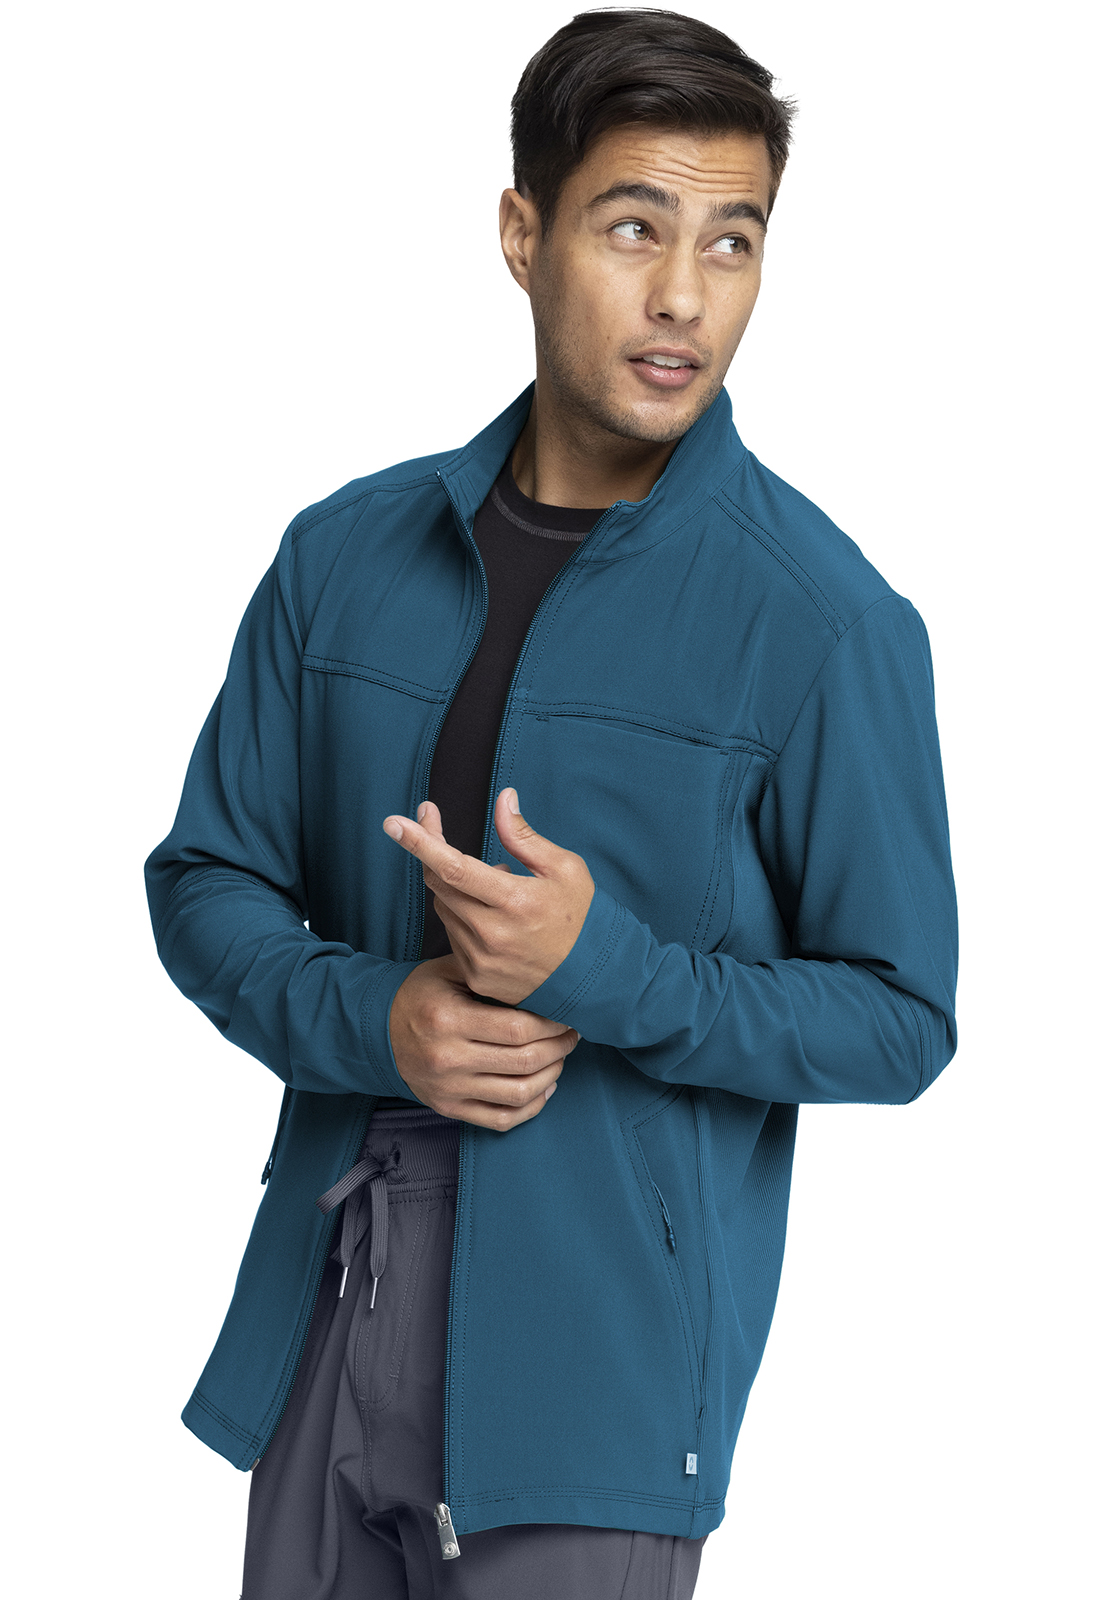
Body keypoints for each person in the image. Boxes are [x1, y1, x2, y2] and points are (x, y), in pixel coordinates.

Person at [145, 9, 958, 1598]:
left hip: (597, 1386)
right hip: (326, 1307)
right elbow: (207, 880)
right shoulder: (343, 557)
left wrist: (609, 970)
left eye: (733, 242)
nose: (684, 296)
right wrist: (379, 1020)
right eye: (635, 227)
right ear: (524, 234)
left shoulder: (824, 620)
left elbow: (899, 1018)